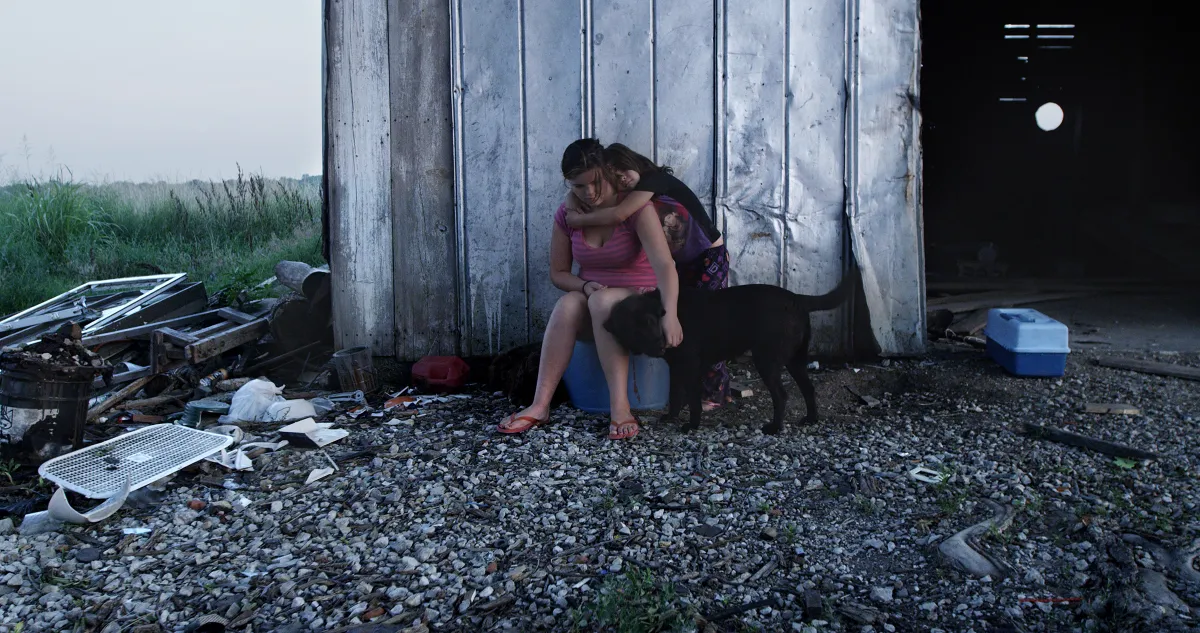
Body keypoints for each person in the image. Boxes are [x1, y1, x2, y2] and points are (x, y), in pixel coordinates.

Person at [496, 139, 683, 440]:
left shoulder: (634, 208)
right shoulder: (568, 215)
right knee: (569, 303)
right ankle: (540, 405)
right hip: (596, 298)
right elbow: (558, 273)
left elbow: (665, 266)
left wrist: (671, 314)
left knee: (601, 301)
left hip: (642, 305)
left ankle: (620, 406)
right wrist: (583, 284)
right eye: (579, 186)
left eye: (595, 183)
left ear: (607, 172)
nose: (589, 193)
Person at [563, 143, 732, 411]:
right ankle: (686, 386)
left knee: (709, 321)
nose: (623, 180)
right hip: (682, 261)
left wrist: (577, 219)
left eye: (624, 172)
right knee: (684, 318)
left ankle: (716, 391)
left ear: (636, 161)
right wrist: (572, 199)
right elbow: (585, 193)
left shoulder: (654, 181)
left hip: (707, 256)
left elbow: (618, 214)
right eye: (615, 177)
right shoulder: (630, 191)